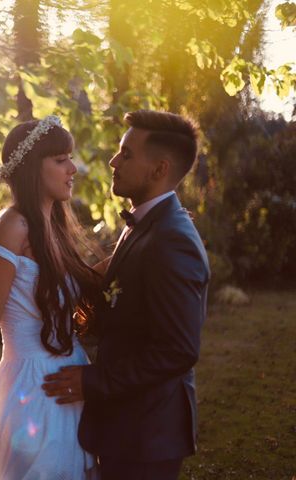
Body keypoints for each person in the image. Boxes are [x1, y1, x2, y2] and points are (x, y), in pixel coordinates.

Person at [42, 110, 210, 480]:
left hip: (148, 433)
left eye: (126, 154)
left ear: (159, 169)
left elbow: (179, 349)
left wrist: (92, 381)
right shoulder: (146, 224)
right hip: (128, 424)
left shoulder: (172, 241)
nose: (113, 161)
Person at [0, 115, 101, 480]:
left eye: (70, 158)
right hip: (31, 390)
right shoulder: (11, 229)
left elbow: (90, 283)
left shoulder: (55, 228)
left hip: (71, 384)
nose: (73, 168)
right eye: (61, 159)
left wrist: (136, 241)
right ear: (34, 167)